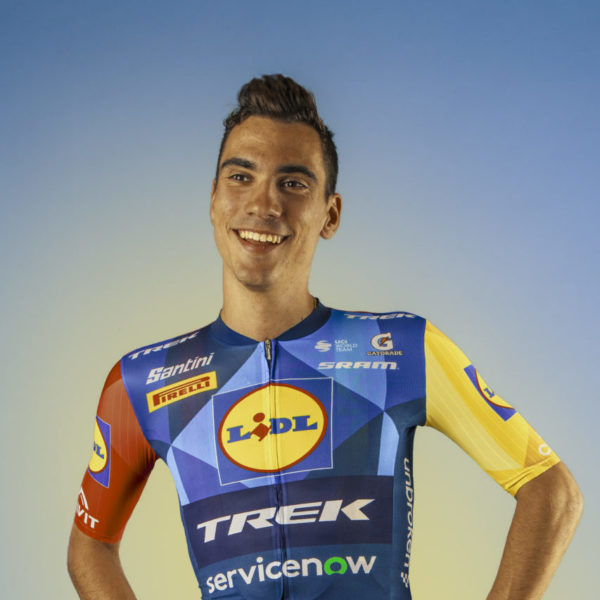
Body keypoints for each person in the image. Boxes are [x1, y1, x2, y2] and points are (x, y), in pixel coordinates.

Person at [67, 74, 583, 600]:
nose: (263, 204)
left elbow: (552, 491)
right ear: (214, 199)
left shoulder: (402, 348)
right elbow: (90, 546)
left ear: (329, 214)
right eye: (240, 177)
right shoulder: (140, 381)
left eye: (293, 184)